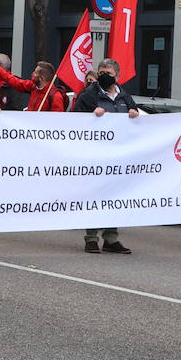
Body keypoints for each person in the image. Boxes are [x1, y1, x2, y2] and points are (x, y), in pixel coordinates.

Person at [72, 58, 141, 254]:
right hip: (96, 155)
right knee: (95, 196)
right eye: (101, 73)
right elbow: (74, 123)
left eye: (108, 74)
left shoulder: (125, 97)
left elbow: (135, 121)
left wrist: (134, 114)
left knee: (116, 197)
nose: (104, 77)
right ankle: (91, 238)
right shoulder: (88, 96)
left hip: (119, 156)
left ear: (117, 76)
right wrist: (91, 117)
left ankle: (111, 238)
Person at [0, 60, 67, 112]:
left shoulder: (55, 96)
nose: (32, 73)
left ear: (42, 78)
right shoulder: (33, 86)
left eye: (35, 73)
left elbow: (57, 121)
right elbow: (16, 82)